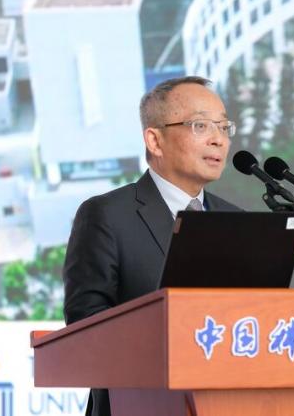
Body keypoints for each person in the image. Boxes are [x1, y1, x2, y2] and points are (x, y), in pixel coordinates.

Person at [62, 76, 241, 416]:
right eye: (200, 125)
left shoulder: (235, 218)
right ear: (155, 140)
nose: (218, 139)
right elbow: (85, 326)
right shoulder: (107, 215)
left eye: (223, 126)